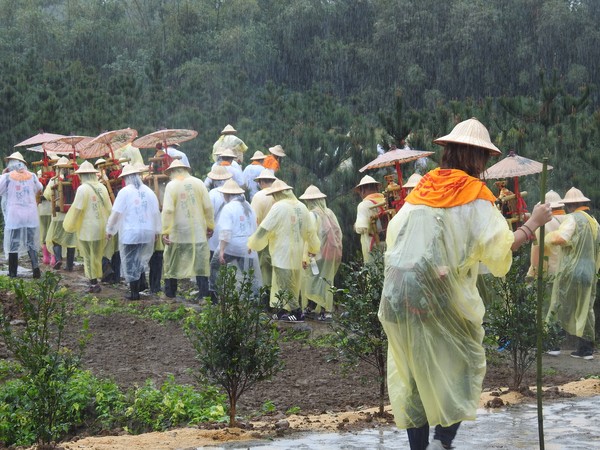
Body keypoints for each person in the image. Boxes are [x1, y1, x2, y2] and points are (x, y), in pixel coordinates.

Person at [378, 117, 552, 450]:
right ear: (477, 157)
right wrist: (534, 223)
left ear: (450, 152)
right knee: (465, 360)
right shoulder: (473, 194)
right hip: (439, 298)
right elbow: (500, 246)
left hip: (398, 295)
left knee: (413, 372)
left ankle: (420, 447)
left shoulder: (423, 188)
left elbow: (395, 237)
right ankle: (444, 439)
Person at [247, 179, 320, 322]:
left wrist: (252, 243)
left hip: (282, 252)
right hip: (297, 253)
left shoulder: (278, 207)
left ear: (279, 194)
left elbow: (265, 227)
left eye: (274, 195)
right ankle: (282, 312)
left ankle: (296, 312)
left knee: (284, 283)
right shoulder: (302, 207)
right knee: (292, 283)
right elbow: (311, 232)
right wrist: (313, 248)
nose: (274, 198)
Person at [545, 187, 599, 360]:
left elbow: (561, 238)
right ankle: (586, 350)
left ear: (570, 205)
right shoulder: (594, 221)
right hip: (589, 271)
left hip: (571, 270)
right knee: (585, 308)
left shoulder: (572, 219)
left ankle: (553, 345)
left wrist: (549, 237)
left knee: (559, 304)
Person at [161, 159, 214, 300]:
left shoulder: (171, 186)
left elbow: (167, 210)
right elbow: (208, 207)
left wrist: (165, 231)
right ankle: (204, 295)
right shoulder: (199, 183)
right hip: (197, 231)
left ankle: (170, 294)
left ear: (172, 171)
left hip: (178, 232)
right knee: (200, 263)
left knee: (172, 262)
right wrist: (210, 225)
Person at [106, 164, 161, 300]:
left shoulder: (125, 192)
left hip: (131, 232)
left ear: (126, 178)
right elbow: (156, 213)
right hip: (147, 231)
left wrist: (110, 229)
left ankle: (134, 293)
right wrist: (156, 231)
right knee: (139, 260)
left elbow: (116, 213)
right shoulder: (149, 191)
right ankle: (141, 285)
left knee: (130, 261)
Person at [63, 161, 112, 293]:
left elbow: (77, 209)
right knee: (98, 254)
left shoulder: (82, 189)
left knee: (89, 256)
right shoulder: (102, 187)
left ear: (82, 175)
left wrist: (70, 224)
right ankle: (100, 277)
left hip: (87, 228)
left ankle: (93, 283)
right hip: (101, 226)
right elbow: (109, 207)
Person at [209, 179, 261, 299]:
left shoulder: (229, 207)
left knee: (215, 265)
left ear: (227, 195)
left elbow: (225, 232)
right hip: (248, 247)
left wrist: (221, 251)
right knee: (249, 274)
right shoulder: (248, 206)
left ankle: (214, 294)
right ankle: (254, 299)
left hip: (232, 246)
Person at [299, 185, 343, 321]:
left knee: (312, 280)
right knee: (326, 280)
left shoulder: (312, 214)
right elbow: (339, 233)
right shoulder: (329, 212)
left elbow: (310, 237)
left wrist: (306, 256)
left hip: (317, 255)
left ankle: (313, 308)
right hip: (332, 252)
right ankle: (325, 311)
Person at [0, 151, 43, 278]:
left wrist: (3, 175)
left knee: (13, 242)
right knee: (31, 242)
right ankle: (36, 269)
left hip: (15, 215)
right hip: (30, 214)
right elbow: (39, 188)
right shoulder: (32, 176)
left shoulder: (8, 176)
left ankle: (13, 272)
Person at [526, 190, 567, 320]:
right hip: (567, 273)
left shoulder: (543, 224)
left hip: (547, 274)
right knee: (563, 312)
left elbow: (536, 252)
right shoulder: (570, 220)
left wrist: (532, 274)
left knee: (546, 313)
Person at [44, 157, 79, 271]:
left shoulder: (54, 180)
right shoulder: (75, 179)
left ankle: (58, 259)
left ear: (58, 168)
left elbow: (47, 194)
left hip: (58, 216)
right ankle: (69, 265)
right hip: (71, 216)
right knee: (71, 241)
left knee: (55, 238)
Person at [250, 169, 277, 286]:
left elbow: (254, 220)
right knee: (276, 269)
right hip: (279, 238)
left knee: (264, 269)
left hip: (263, 238)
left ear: (260, 182)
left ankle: (265, 299)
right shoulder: (279, 194)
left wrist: (253, 240)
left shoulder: (258, 196)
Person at [354, 175, 385, 263]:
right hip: (390, 242)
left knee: (375, 273)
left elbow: (361, 228)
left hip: (375, 245)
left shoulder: (363, 205)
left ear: (363, 190)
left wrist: (355, 226)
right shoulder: (385, 200)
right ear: (376, 188)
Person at [206, 165, 233, 266]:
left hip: (215, 235)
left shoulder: (212, 193)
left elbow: (209, 215)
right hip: (230, 234)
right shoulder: (237, 192)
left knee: (214, 266)